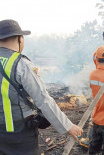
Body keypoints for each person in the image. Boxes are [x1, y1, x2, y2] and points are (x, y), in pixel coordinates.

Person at [0, 19, 83, 155]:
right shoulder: (22, 65)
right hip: (20, 135)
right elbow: (43, 100)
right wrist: (68, 126)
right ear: (20, 39)